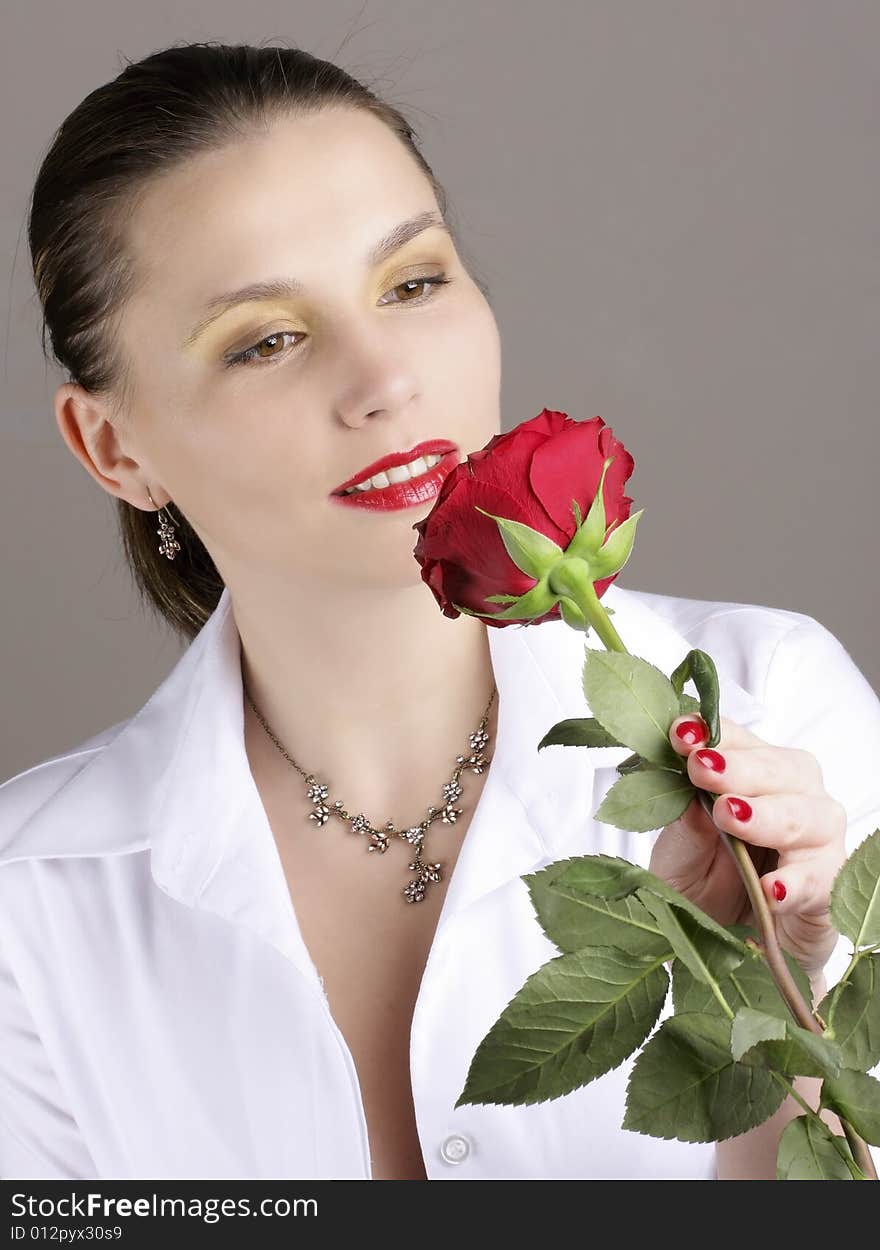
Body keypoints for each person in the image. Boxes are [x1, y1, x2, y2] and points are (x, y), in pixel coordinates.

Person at [2, 41, 878, 1183]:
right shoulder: (32, 906)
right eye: (266, 340)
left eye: (412, 283)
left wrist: (784, 1019)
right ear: (112, 446)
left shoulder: (773, 710)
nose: (384, 379)